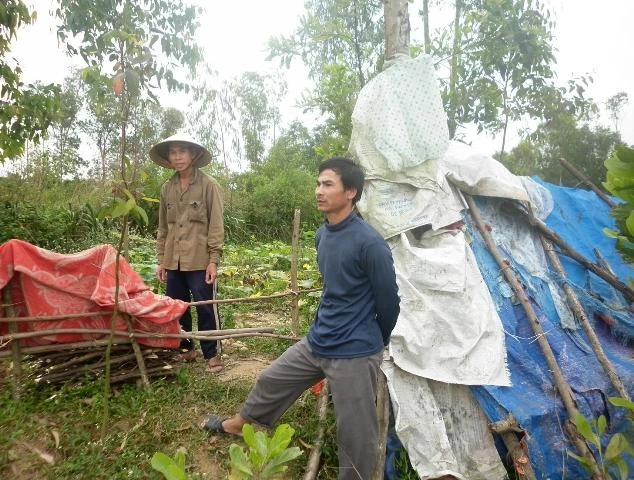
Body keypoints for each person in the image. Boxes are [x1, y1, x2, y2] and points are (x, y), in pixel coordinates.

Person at [201, 157, 400, 479]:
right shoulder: (324, 235)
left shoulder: (370, 243)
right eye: (318, 183)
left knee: (355, 434)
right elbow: (335, 289)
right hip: (319, 339)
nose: (318, 191)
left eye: (328, 184)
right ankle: (241, 424)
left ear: (350, 192)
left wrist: (375, 340)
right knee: (271, 379)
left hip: (354, 351)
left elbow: (389, 302)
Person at [151, 133, 224, 373]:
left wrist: (213, 260)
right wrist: (162, 260)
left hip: (199, 259)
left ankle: (212, 353)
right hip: (174, 259)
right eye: (173, 152)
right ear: (168, 157)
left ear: (193, 155)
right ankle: (186, 348)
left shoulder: (208, 185)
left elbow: (216, 225)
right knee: (177, 307)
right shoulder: (166, 188)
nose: (178, 156)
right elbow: (163, 227)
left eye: (183, 151)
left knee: (205, 306)